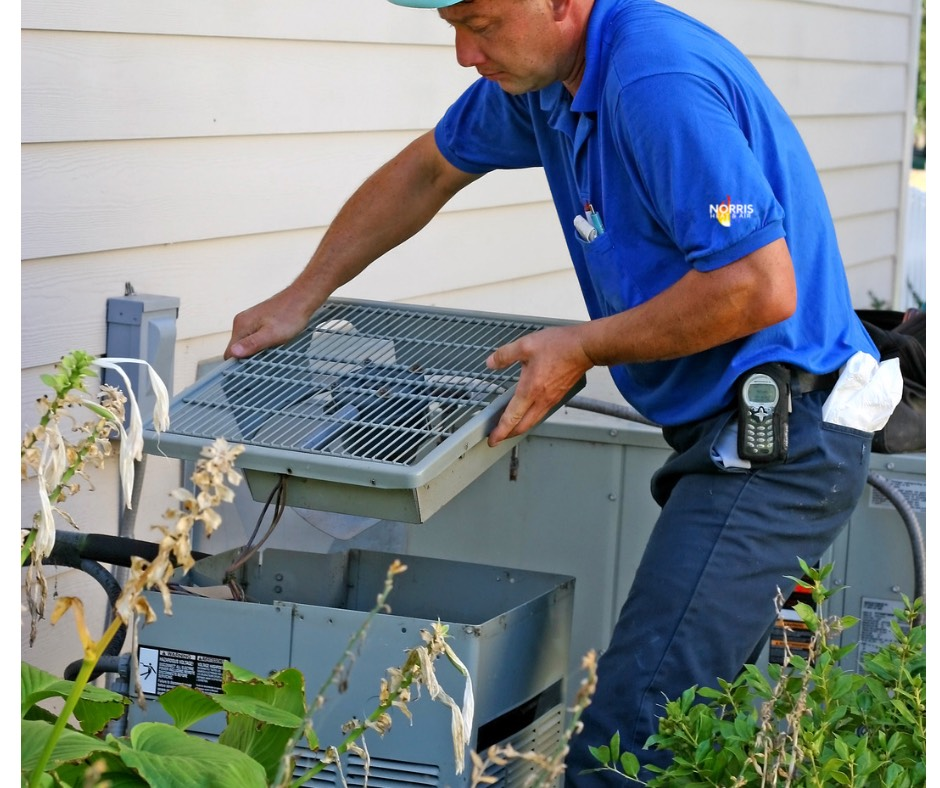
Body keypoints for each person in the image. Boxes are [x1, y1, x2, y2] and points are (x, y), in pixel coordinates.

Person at [225, 0, 899, 782]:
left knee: (628, 743)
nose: (464, 53)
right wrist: (305, 293)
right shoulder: (549, 79)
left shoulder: (654, 78)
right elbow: (428, 169)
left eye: (480, 21)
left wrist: (580, 346)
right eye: (450, 24)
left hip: (782, 442)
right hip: (735, 436)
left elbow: (758, 286)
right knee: (696, 738)